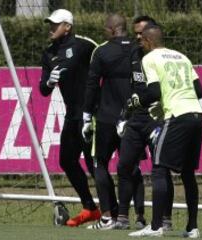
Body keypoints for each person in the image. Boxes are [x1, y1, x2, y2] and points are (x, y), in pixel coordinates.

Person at [129, 24, 202, 238]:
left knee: (159, 169)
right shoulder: (182, 57)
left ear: (150, 41)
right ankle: (192, 227)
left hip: (177, 116)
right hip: (196, 115)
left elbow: (152, 91)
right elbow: (199, 90)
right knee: (188, 174)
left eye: (141, 40)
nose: (139, 43)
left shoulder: (149, 59)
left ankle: (155, 227)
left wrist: (136, 101)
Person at [39, 9, 101, 227]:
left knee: (95, 165)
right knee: (66, 161)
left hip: (91, 114)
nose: (51, 28)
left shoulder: (85, 45)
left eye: (56, 24)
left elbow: (106, 62)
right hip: (72, 115)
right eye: (50, 24)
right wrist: (48, 82)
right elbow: (43, 90)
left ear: (68, 26)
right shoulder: (48, 53)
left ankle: (111, 213)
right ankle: (90, 208)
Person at [82, 14, 141, 230]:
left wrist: (87, 115)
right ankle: (128, 217)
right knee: (130, 167)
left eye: (106, 29)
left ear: (113, 29)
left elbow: (92, 85)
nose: (104, 32)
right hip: (132, 117)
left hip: (106, 117)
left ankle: (107, 217)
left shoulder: (102, 50)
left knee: (100, 163)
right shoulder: (138, 49)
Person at [115, 16, 173, 231]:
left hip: (157, 118)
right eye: (136, 33)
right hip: (136, 118)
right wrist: (124, 115)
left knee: (161, 168)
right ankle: (123, 217)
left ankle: (165, 219)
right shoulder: (133, 54)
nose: (138, 37)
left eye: (142, 33)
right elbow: (132, 88)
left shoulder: (163, 57)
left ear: (152, 34)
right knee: (125, 165)